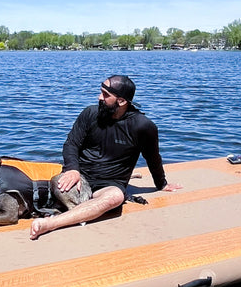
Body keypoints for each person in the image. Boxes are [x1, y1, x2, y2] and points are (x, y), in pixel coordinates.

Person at [30, 74, 181, 239]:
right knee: (60, 185)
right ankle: (85, 212)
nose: (99, 97)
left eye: (105, 95)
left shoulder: (143, 126)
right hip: (82, 177)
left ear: (121, 101)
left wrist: (161, 183)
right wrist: (72, 170)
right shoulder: (90, 113)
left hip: (110, 184)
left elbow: (153, 157)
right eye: (101, 92)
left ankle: (51, 224)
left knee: (115, 198)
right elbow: (71, 144)